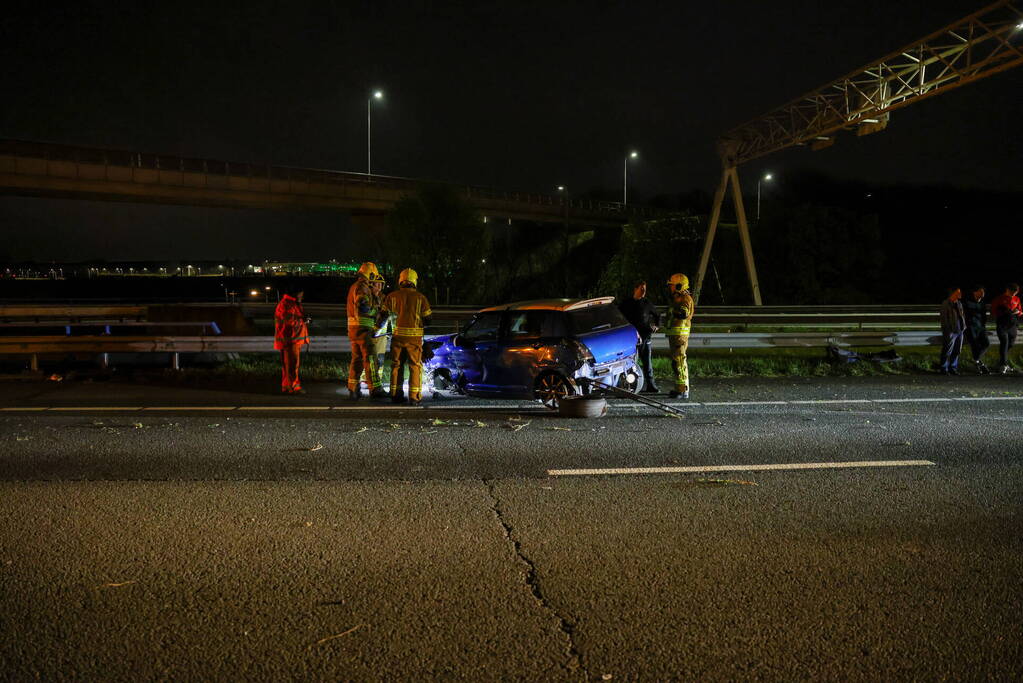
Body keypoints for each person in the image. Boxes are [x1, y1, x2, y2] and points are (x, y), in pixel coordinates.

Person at [382, 268, 433, 406]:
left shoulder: (391, 296)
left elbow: (383, 316)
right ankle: (414, 397)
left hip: (397, 338)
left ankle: (395, 394)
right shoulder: (421, 298)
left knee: (396, 365)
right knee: (415, 366)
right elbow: (428, 319)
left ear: (401, 280)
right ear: (414, 281)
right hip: (414, 340)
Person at [346, 262, 386, 399]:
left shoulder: (354, 286)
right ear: (371, 274)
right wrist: (376, 311)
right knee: (371, 359)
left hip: (354, 329)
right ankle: (375, 389)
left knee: (356, 360)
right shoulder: (362, 287)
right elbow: (362, 306)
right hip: (363, 329)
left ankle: (353, 388)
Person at [618, 279, 660, 392]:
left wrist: (657, 325)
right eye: (641, 289)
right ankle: (630, 385)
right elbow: (618, 316)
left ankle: (651, 385)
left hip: (646, 337)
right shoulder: (626, 303)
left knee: (647, 363)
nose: (643, 292)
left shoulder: (647, 303)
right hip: (630, 339)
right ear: (635, 289)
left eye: (645, 290)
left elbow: (657, 315)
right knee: (630, 363)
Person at [273, 283, 309, 394]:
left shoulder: (292, 304)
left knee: (289, 365)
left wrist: (303, 319)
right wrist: (303, 320)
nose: (302, 297)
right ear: (295, 294)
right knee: (292, 365)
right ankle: (293, 387)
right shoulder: (287, 304)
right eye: (300, 295)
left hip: (292, 339)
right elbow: (289, 321)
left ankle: (287, 386)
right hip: (290, 339)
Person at [663, 273, 695, 399]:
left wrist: (674, 311)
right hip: (675, 335)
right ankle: (679, 388)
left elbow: (683, 314)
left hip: (680, 336)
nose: (670, 288)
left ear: (679, 286)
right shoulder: (677, 299)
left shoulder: (685, 299)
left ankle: (683, 390)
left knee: (680, 362)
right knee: (676, 363)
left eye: (672, 285)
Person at [990, 283, 1023, 374]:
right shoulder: (999, 299)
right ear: (1007, 289)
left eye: (1015, 293)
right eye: (1012, 292)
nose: (1014, 294)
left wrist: (1018, 312)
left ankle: (1001, 362)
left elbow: (1020, 312)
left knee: (1010, 344)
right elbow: (993, 311)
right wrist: (1003, 312)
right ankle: (1003, 364)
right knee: (1004, 343)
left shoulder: (1017, 299)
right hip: (1002, 325)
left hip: (1012, 326)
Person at [962, 285, 990, 374]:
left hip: (980, 327)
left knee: (986, 343)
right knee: (974, 345)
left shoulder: (982, 303)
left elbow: (984, 316)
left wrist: (983, 325)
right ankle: (978, 364)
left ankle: (976, 360)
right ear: (975, 292)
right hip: (970, 327)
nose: (983, 293)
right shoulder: (967, 302)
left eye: (983, 292)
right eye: (980, 291)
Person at [369, 276, 392, 389]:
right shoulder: (368, 297)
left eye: (380, 284)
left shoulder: (384, 298)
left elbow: (387, 314)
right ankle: (367, 379)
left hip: (381, 333)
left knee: (380, 357)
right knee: (370, 356)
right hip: (370, 331)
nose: (378, 286)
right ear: (372, 284)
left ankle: (378, 379)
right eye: (376, 284)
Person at [938, 286, 965, 376]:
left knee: (957, 350)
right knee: (947, 350)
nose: (960, 294)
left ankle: (953, 368)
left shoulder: (959, 303)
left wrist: (963, 327)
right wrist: (947, 331)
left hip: (959, 330)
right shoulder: (946, 304)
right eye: (958, 292)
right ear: (953, 293)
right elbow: (944, 318)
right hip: (951, 331)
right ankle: (943, 368)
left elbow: (961, 316)